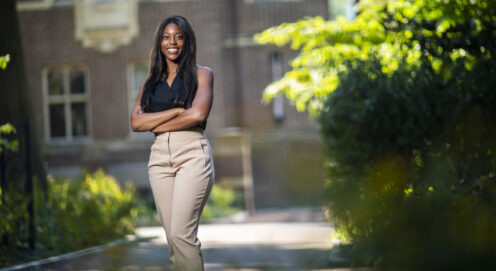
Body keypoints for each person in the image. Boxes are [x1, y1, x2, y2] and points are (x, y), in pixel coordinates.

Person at [130, 15, 214, 271]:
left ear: (187, 41)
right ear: (159, 43)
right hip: (159, 161)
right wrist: (175, 111)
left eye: (178, 36)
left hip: (192, 154)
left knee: (181, 235)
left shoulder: (202, 74)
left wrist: (153, 122)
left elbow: (198, 114)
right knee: (173, 241)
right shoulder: (151, 81)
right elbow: (135, 122)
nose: (172, 42)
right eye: (166, 37)